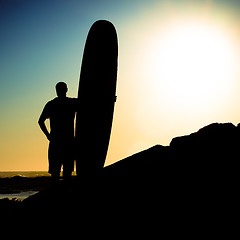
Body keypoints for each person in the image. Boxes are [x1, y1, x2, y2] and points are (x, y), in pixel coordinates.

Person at [38, 82, 78, 185]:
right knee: (67, 175)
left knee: (55, 174)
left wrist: (48, 136)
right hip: (68, 143)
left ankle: (55, 197)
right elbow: (91, 103)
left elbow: (40, 121)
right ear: (66, 90)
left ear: (57, 91)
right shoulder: (72, 103)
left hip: (56, 142)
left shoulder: (51, 104)